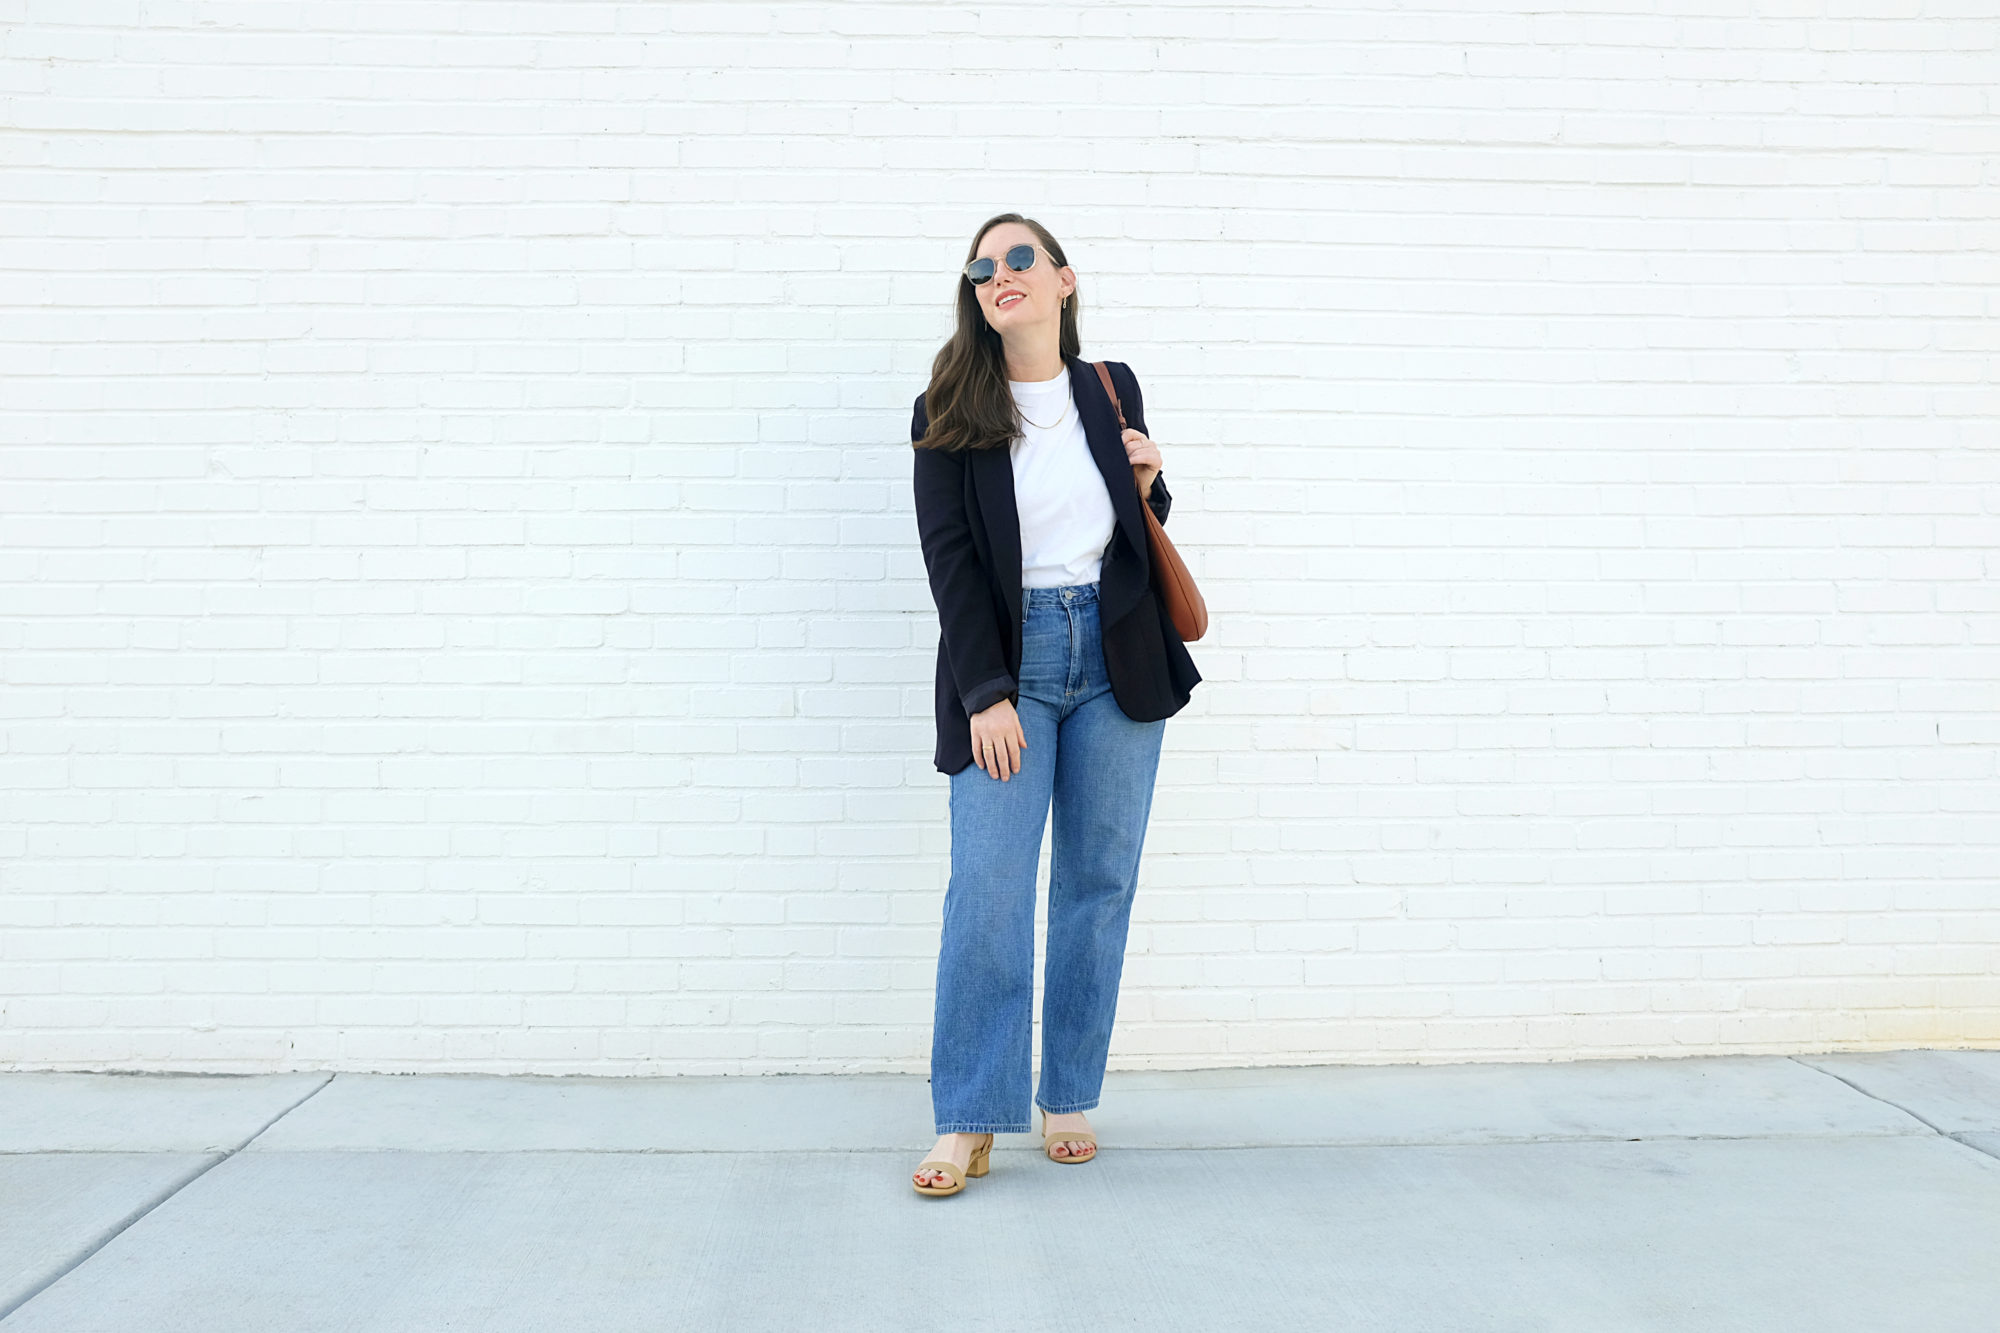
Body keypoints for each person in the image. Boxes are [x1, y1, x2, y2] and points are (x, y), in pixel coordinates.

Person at [906, 212, 1202, 1196]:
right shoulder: (945, 405)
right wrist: (984, 691)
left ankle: (1065, 1093)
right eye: (983, 266)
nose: (1000, 275)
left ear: (1063, 281)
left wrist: (1151, 486)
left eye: (1019, 258)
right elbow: (949, 564)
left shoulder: (1108, 387)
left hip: (1117, 659)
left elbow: (1129, 532)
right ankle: (967, 1118)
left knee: (1094, 886)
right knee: (986, 891)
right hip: (1010, 667)